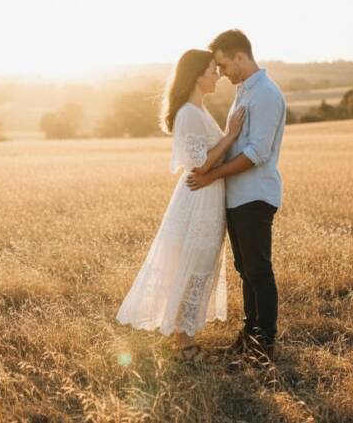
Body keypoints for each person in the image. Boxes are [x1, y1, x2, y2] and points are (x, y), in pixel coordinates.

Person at [116, 49, 245, 362]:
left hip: (208, 197)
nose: (218, 76)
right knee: (193, 264)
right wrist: (230, 136)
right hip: (198, 199)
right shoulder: (188, 112)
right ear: (197, 75)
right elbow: (199, 164)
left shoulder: (199, 110)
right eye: (213, 70)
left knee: (199, 265)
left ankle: (184, 340)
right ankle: (185, 347)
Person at [186, 30, 286, 362]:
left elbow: (257, 152)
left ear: (240, 57)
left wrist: (211, 175)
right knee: (245, 269)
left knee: (259, 270)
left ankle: (264, 346)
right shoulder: (245, 92)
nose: (223, 73)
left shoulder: (265, 95)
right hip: (237, 196)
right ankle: (250, 337)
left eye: (225, 65)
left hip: (255, 195)